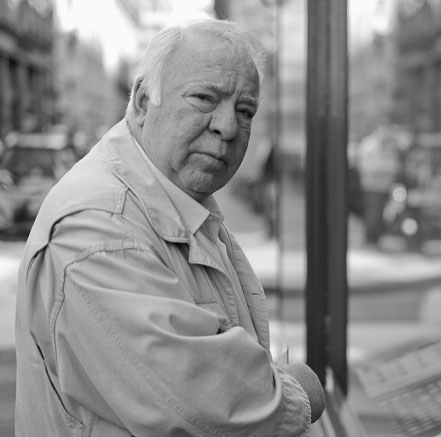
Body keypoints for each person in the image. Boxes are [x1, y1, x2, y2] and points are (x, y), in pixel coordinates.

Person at [14, 18, 325, 436]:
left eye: (245, 110)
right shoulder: (101, 229)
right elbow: (212, 408)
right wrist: (301, 391)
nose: (228, 127)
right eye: (204, 98)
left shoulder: (177, 201)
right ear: (143, 102)